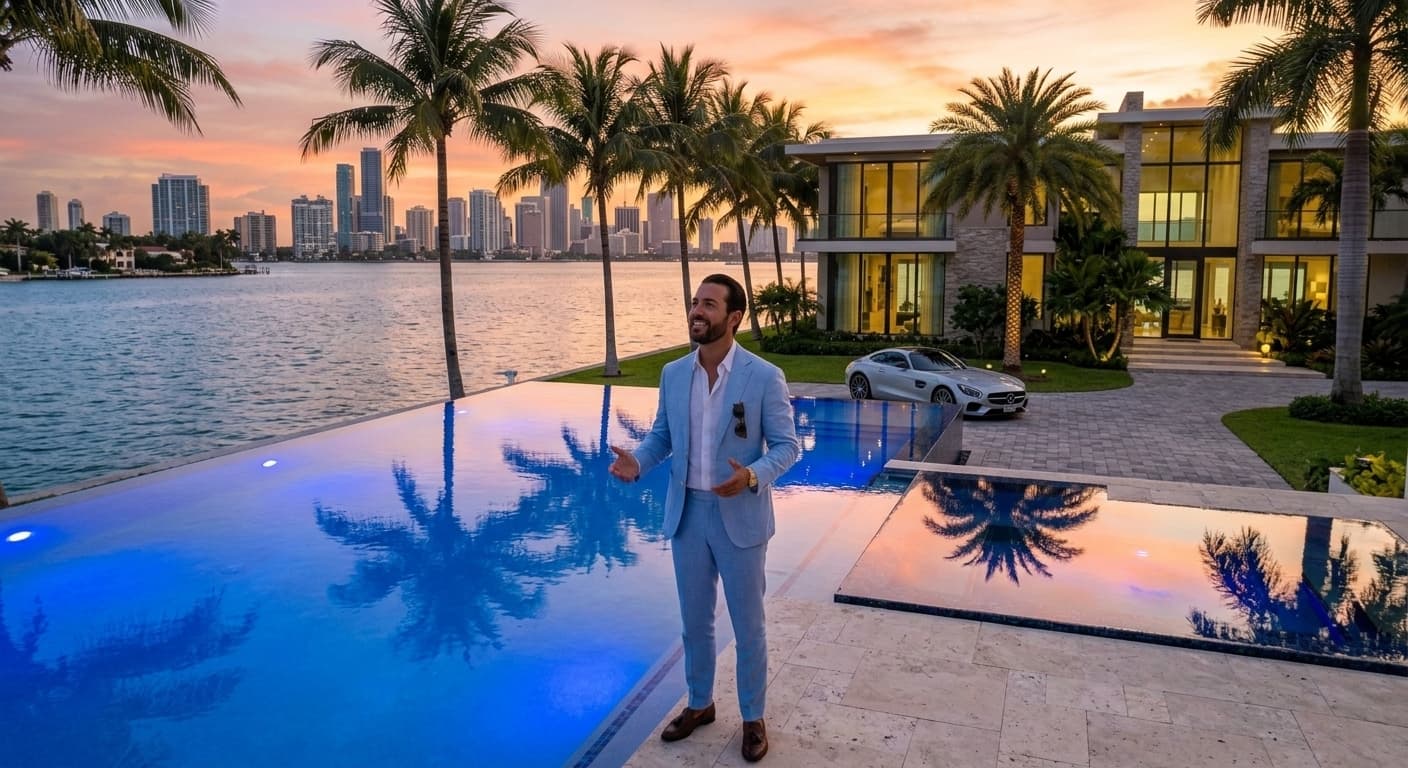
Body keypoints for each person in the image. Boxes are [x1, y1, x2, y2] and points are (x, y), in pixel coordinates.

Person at [609, 273, 800, 763]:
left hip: (740, 516)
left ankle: (753, 716)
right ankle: (700, 704)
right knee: (695, 622)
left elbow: (787, 447)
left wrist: (753, 476)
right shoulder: (675, 373)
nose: (698, 311)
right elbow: (662, 437)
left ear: (733, 317)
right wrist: (637, 462)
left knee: (748, 624)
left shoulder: (762, 376)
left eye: (709, 304)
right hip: (687, 514)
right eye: (695, 302)